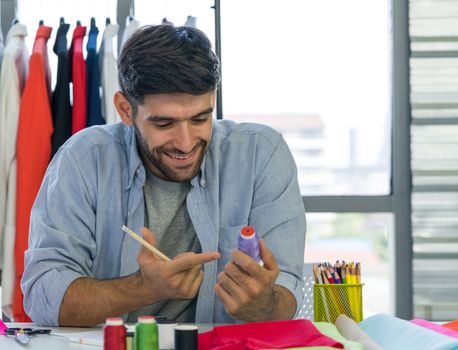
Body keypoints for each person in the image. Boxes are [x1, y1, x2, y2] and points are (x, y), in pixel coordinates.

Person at [21, 25, 306, 327]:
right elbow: (43, 296)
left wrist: (263, 305)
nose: (185, 143)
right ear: (125, 109)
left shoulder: (262, 153)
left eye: (200, 118)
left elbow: (286, 288)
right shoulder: (83, 159)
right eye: (164, 123)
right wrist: (143, 288)